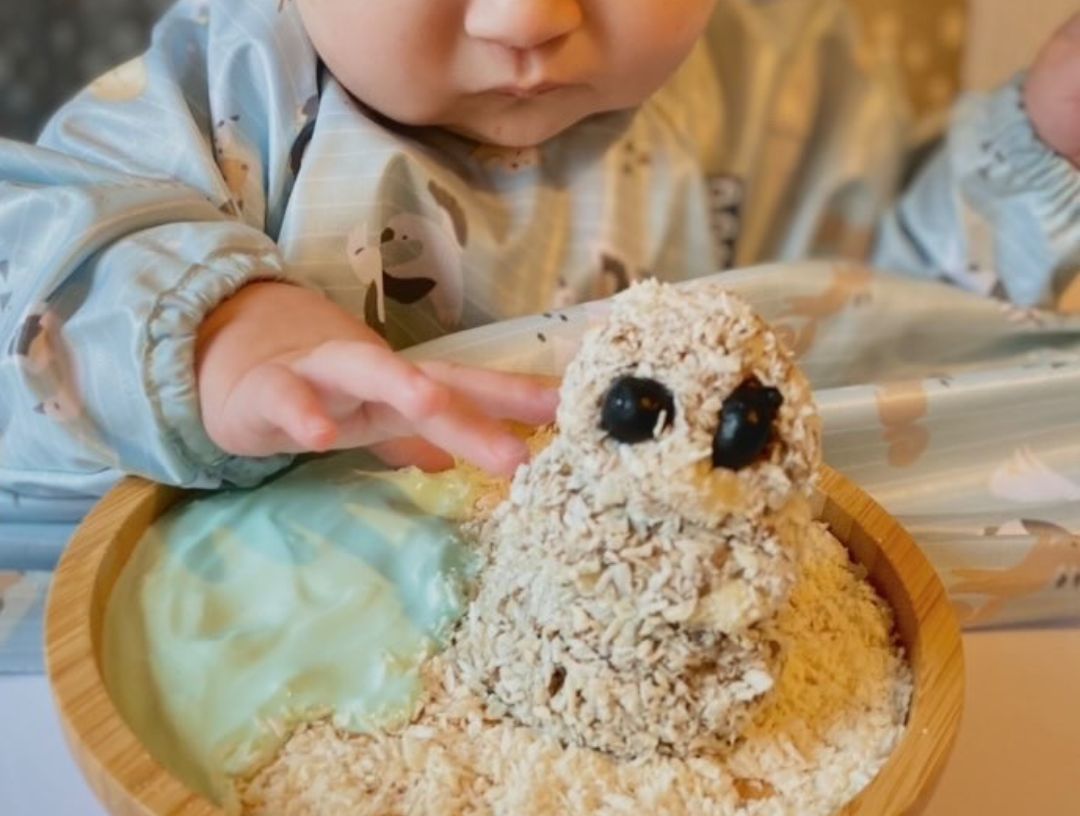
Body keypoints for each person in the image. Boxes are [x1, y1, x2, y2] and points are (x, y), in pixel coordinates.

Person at [0, 0, 1077, 515]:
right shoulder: (223, 98)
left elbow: (886, 335)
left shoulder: (761, 92)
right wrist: (211, 336)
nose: (526, 19)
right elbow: (45, 295)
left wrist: (1040, 149)